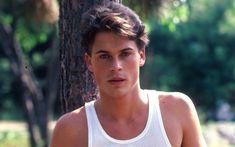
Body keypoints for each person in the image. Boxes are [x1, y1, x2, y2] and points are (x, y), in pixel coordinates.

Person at [50, 1, 207, 147]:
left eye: (125, 54)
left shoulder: (177, 110)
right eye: (104, 56)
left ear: (141, 56)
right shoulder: (70, 130)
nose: (116, 66)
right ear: (89, 61)